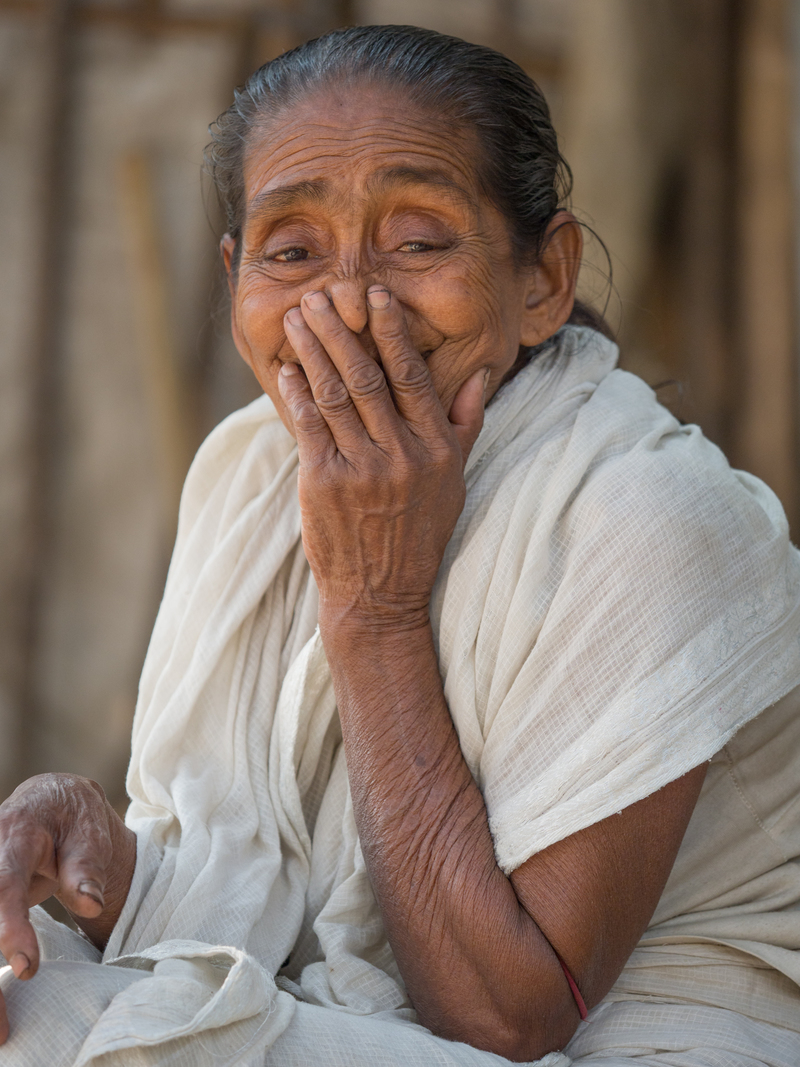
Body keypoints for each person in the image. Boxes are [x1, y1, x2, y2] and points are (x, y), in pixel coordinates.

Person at [0, 25, 799, 1067]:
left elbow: (508, 1013)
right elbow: (253, 900)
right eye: (291, 253)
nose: (348, 302)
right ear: (236, 280)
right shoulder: (248, 467)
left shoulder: (650, 511)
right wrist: (103, 860)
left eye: (418, 243)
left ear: (542, 279)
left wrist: (373, 604)